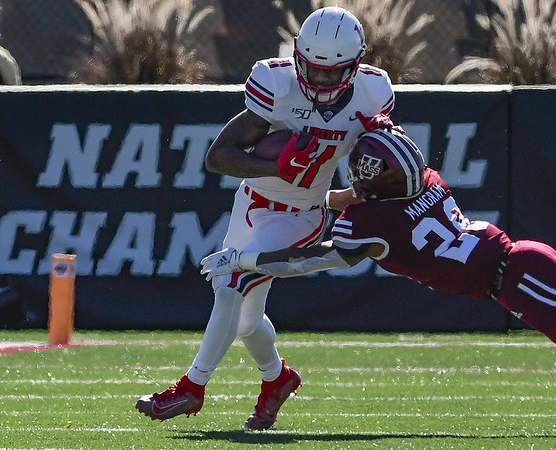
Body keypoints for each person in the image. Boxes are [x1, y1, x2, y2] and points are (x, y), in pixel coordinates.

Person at [200, 128, 556, 435]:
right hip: (517, 269)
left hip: (518, 276)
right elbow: (369, 191)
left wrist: (248, 262)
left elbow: (320, 260)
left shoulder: (371, 220)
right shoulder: (421, 178)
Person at [135, 6, 395, 430]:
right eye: (313, 70)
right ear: (297, 56)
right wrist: (277, 167)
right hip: (252, 202)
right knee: (244, 320)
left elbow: (379, 158)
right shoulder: (276, 84)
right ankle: (277, 379)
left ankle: (191, 388)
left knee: (233, 281)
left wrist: (361, 191)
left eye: (333, 73)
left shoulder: (371, 94)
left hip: (302, 215)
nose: (322, 81)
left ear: (355, 65)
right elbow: (218, 157)